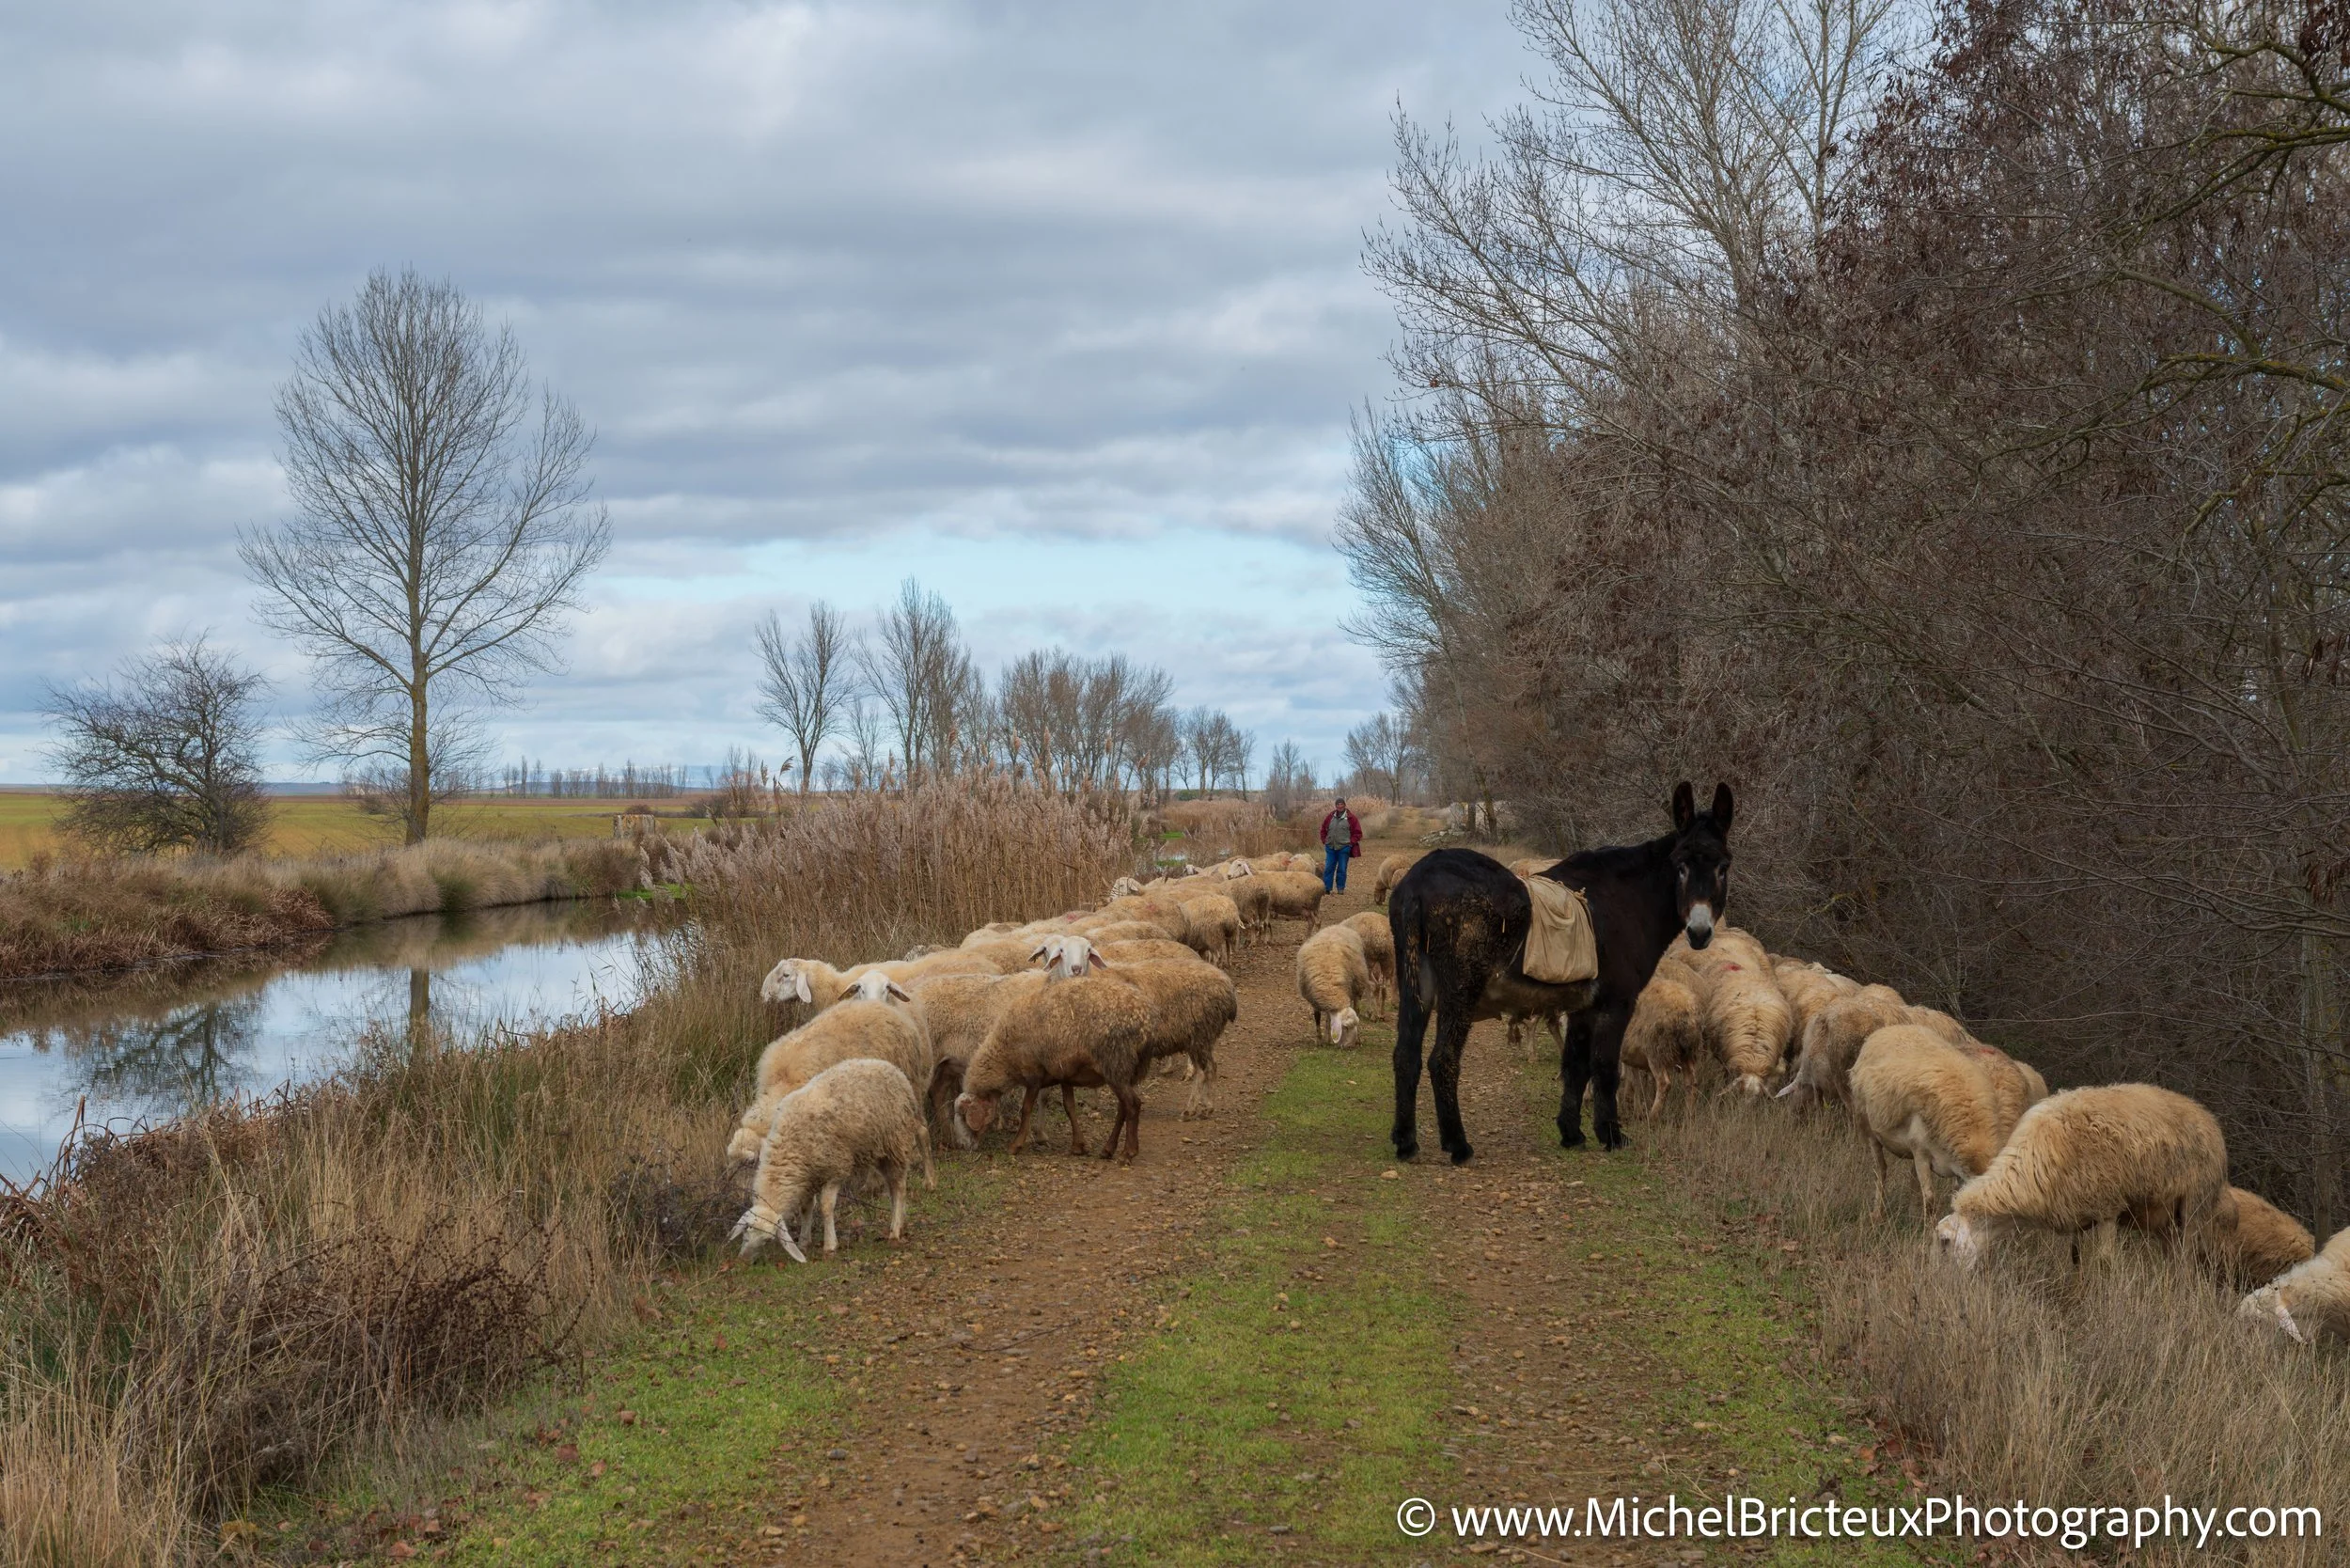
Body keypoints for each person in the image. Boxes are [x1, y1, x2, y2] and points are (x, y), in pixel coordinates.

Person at [1319, 795, 1361, 893]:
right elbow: (1323, 829)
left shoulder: (1351, 818)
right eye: (1338, 804)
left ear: (1345, 805)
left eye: (1341, 804)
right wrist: (1324, 840)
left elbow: (1358, 833)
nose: (1340, 806)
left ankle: (1340, 888)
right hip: (1330, 847)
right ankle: (1327, 888)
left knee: (1342, 869)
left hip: (1344, 847)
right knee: (1329, 868)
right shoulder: (1330, 816)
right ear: (1335, 806)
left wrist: (1350, 843)